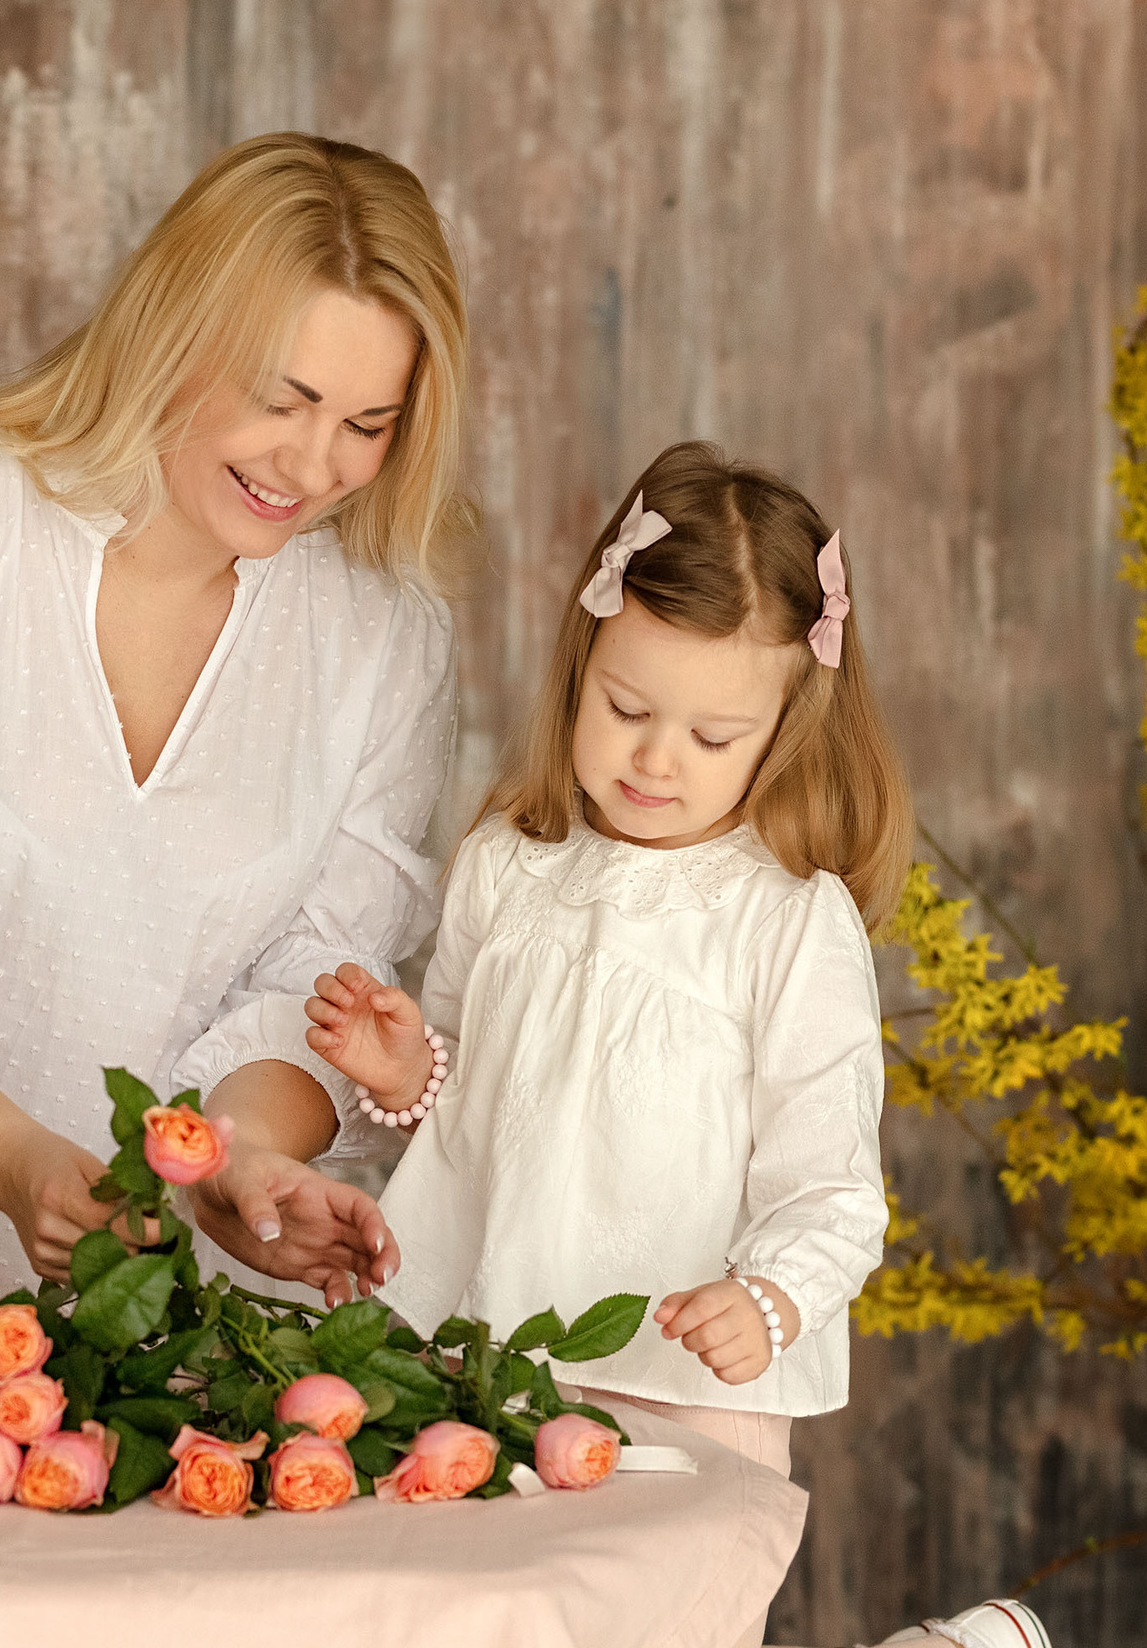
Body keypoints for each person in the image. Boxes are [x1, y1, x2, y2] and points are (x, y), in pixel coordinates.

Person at [0, 132, 470, 1347]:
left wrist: (241, 1159)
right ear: (173, 330)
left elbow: (316, 991)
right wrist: (19, 1167)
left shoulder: (378, 642)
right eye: (284, 399)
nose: (313, 466)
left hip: (146, 1330)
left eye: (367, 425)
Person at [305, 443, 1050, 1648]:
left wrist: (769, 1298)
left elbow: (832, 1192)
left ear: (785, 731)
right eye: (627, 709)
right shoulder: (510, 861)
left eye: (713, 737)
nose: (656, 760)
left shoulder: (785, 921)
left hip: (686, 1386)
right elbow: (472, 1100)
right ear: (581, 664)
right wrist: (405, 1071)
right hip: (484, 1350)